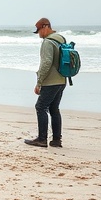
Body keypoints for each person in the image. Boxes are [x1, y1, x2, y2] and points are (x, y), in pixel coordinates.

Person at [24, 18, 66, 148]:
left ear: (45, 26)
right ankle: (56, 140)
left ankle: (42, 139)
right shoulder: (60, 39)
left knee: (40, 107)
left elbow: (46, 63)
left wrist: (39, 82)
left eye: (39, 30)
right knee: (54, 109)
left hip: (50, 82)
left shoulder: (48, 42)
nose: (39, 34)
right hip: (62, 80)